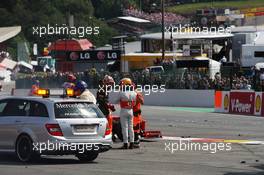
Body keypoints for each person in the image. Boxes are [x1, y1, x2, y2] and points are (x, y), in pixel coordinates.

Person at [115, 78, 137, 149]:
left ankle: (125, 143)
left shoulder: (122, 92)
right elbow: (135, 102)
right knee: (131, 128)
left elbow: (116, 101)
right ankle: (132, 143)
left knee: (125, 128)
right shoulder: (134, 93)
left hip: (124, 110)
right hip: (131, 110)